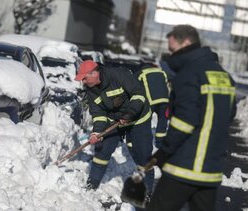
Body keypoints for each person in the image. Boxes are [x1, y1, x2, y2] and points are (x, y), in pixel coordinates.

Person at [146, 25, 236, 211]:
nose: (171, 55)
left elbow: (184, 122)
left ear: (186, 43)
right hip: (210, 170)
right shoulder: (224, 76)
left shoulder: (189, 75)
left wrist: (164, 152)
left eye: (172, 49)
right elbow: (229, 114)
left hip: (184, 166)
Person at [74, 60, 154, 196]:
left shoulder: (118, 75)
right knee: (102, 150)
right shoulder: (91, 90)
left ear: (94, 73)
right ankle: (91, 185)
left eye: (85, 78)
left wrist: (130, 114)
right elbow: (98, 114)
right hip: (115, 121)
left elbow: (139, 93)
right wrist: (97, 132)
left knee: (143, 156)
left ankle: (147, 192)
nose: (84, 82)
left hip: (138, 119)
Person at [135, 62, 170, 148]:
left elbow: (134, 85)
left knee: (144, 122)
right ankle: (160, 143)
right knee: (163, 122)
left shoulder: (141, 73)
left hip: (151, 102)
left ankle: (144, 142)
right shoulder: (162, 72)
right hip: (165, 101)